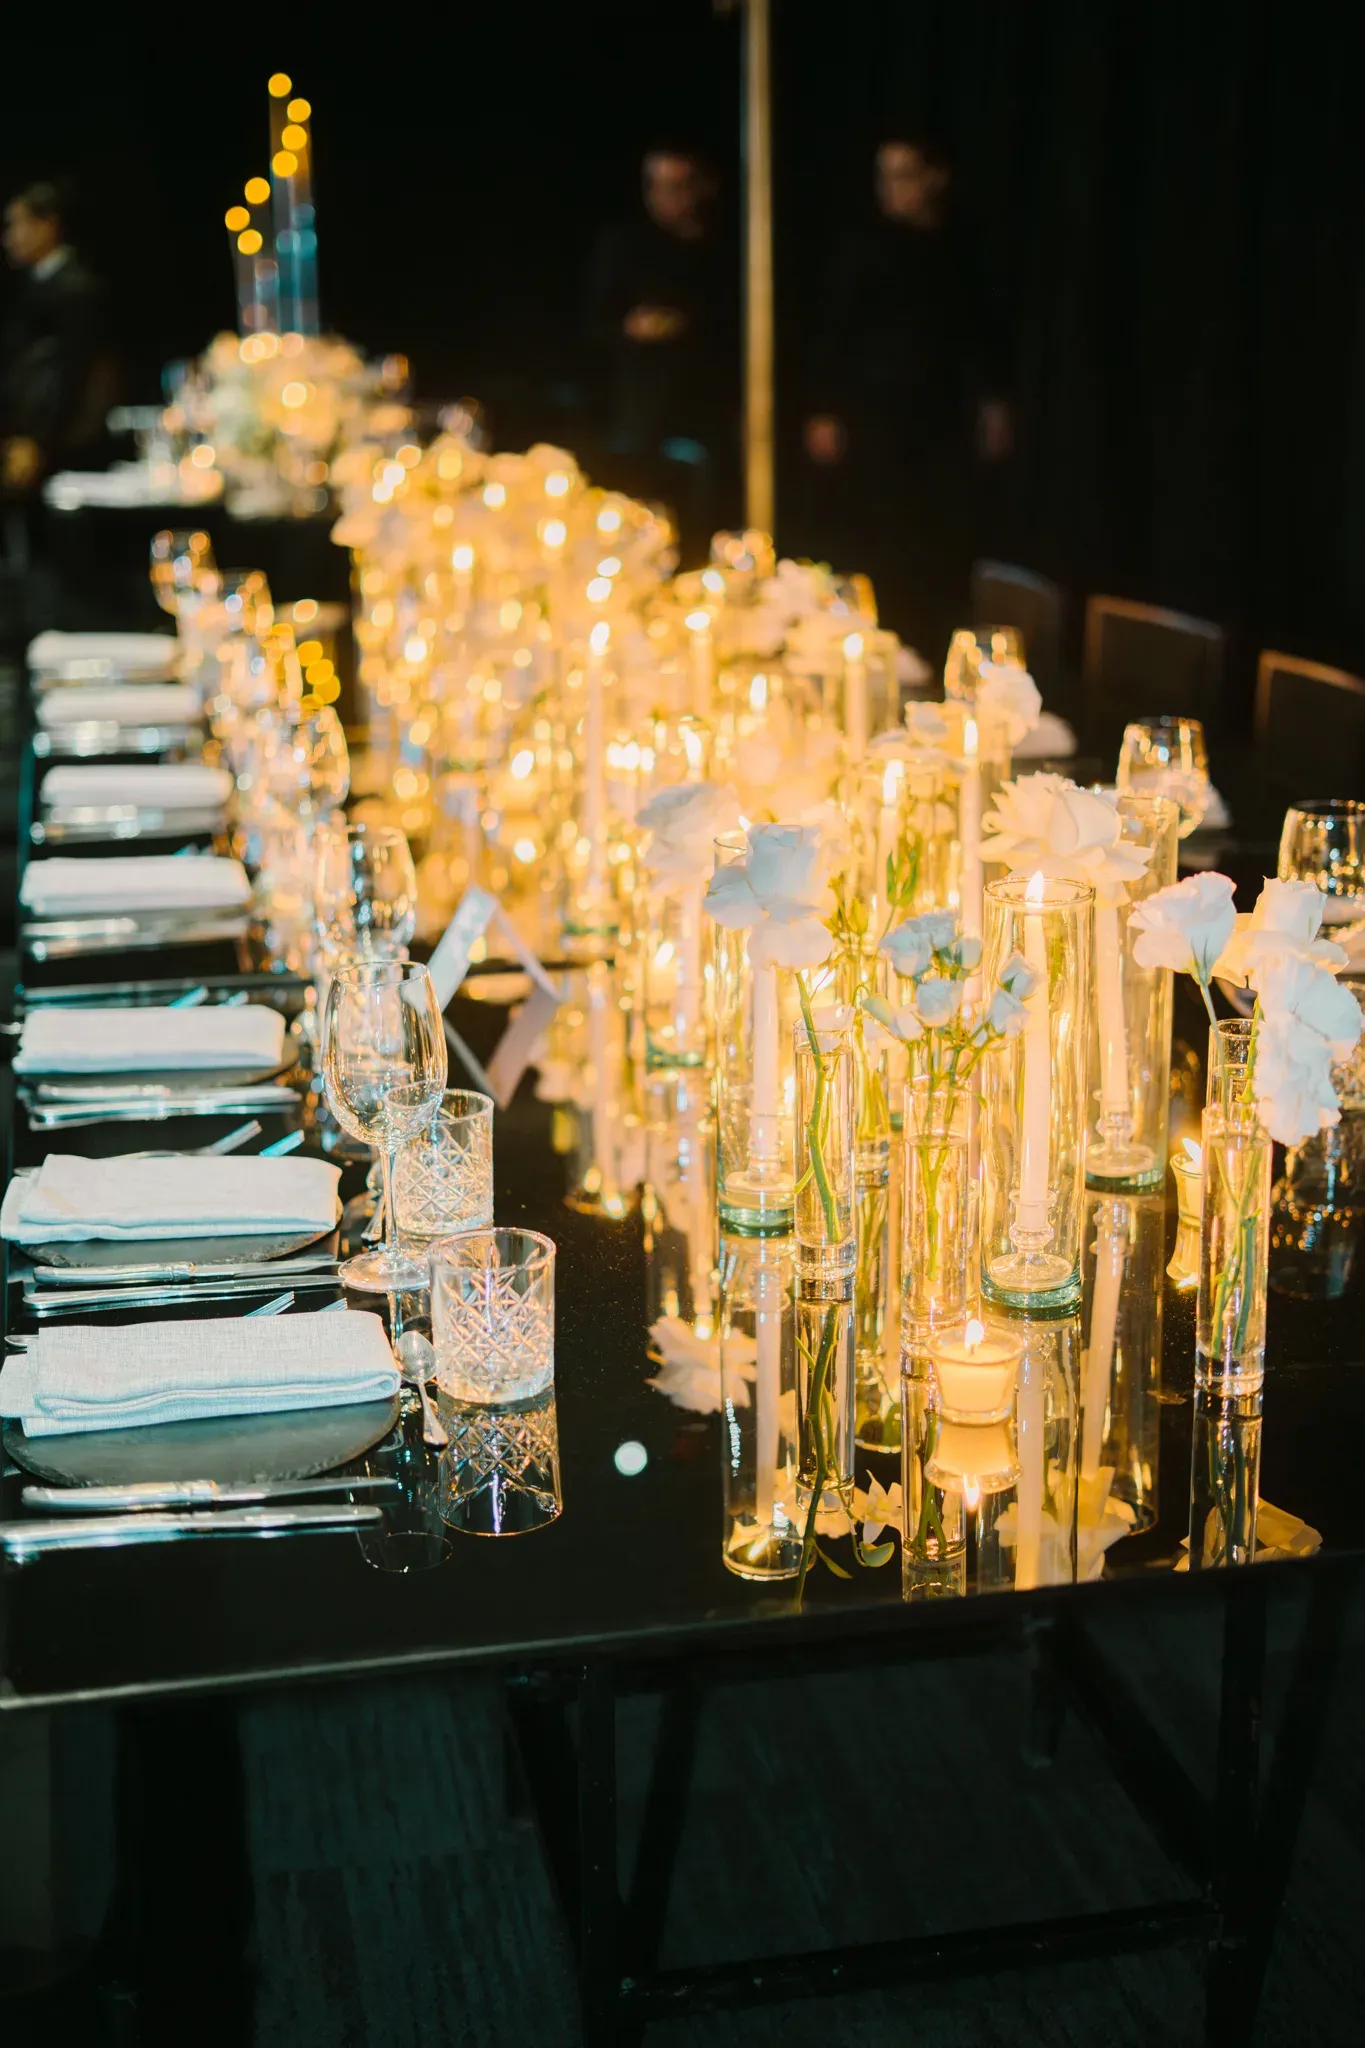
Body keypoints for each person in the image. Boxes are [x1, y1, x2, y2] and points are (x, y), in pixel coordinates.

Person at [802, 137, 1011, 663]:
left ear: (935, 178)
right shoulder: (866, 245)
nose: (891, 190)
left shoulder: (961, 245)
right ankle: (880, 649)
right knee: (880, 536)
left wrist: (993, 403)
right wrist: (824, 408)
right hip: (875, 414)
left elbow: (980, 331)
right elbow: (833, 330)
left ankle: (936, 654)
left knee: (939, 543)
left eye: (904, 175)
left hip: (940, 417)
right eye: (884, 176)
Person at [583, 146, 737, 559]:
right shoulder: (626, 245)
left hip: (710, 409)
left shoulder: (729, 248)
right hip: (643, 414)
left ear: (704, 188)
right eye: (656, 186)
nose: (666, 197)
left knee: (705, 525)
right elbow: (592, 327)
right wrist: (631, 328)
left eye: (678, 186)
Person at [0, 182, 111, 498]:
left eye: (16, 225)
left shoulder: (76, 290)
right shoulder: (34, 286)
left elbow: (74, 373)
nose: (9, 238)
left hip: (61, 448)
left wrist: (39, 441)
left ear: (47, 225)